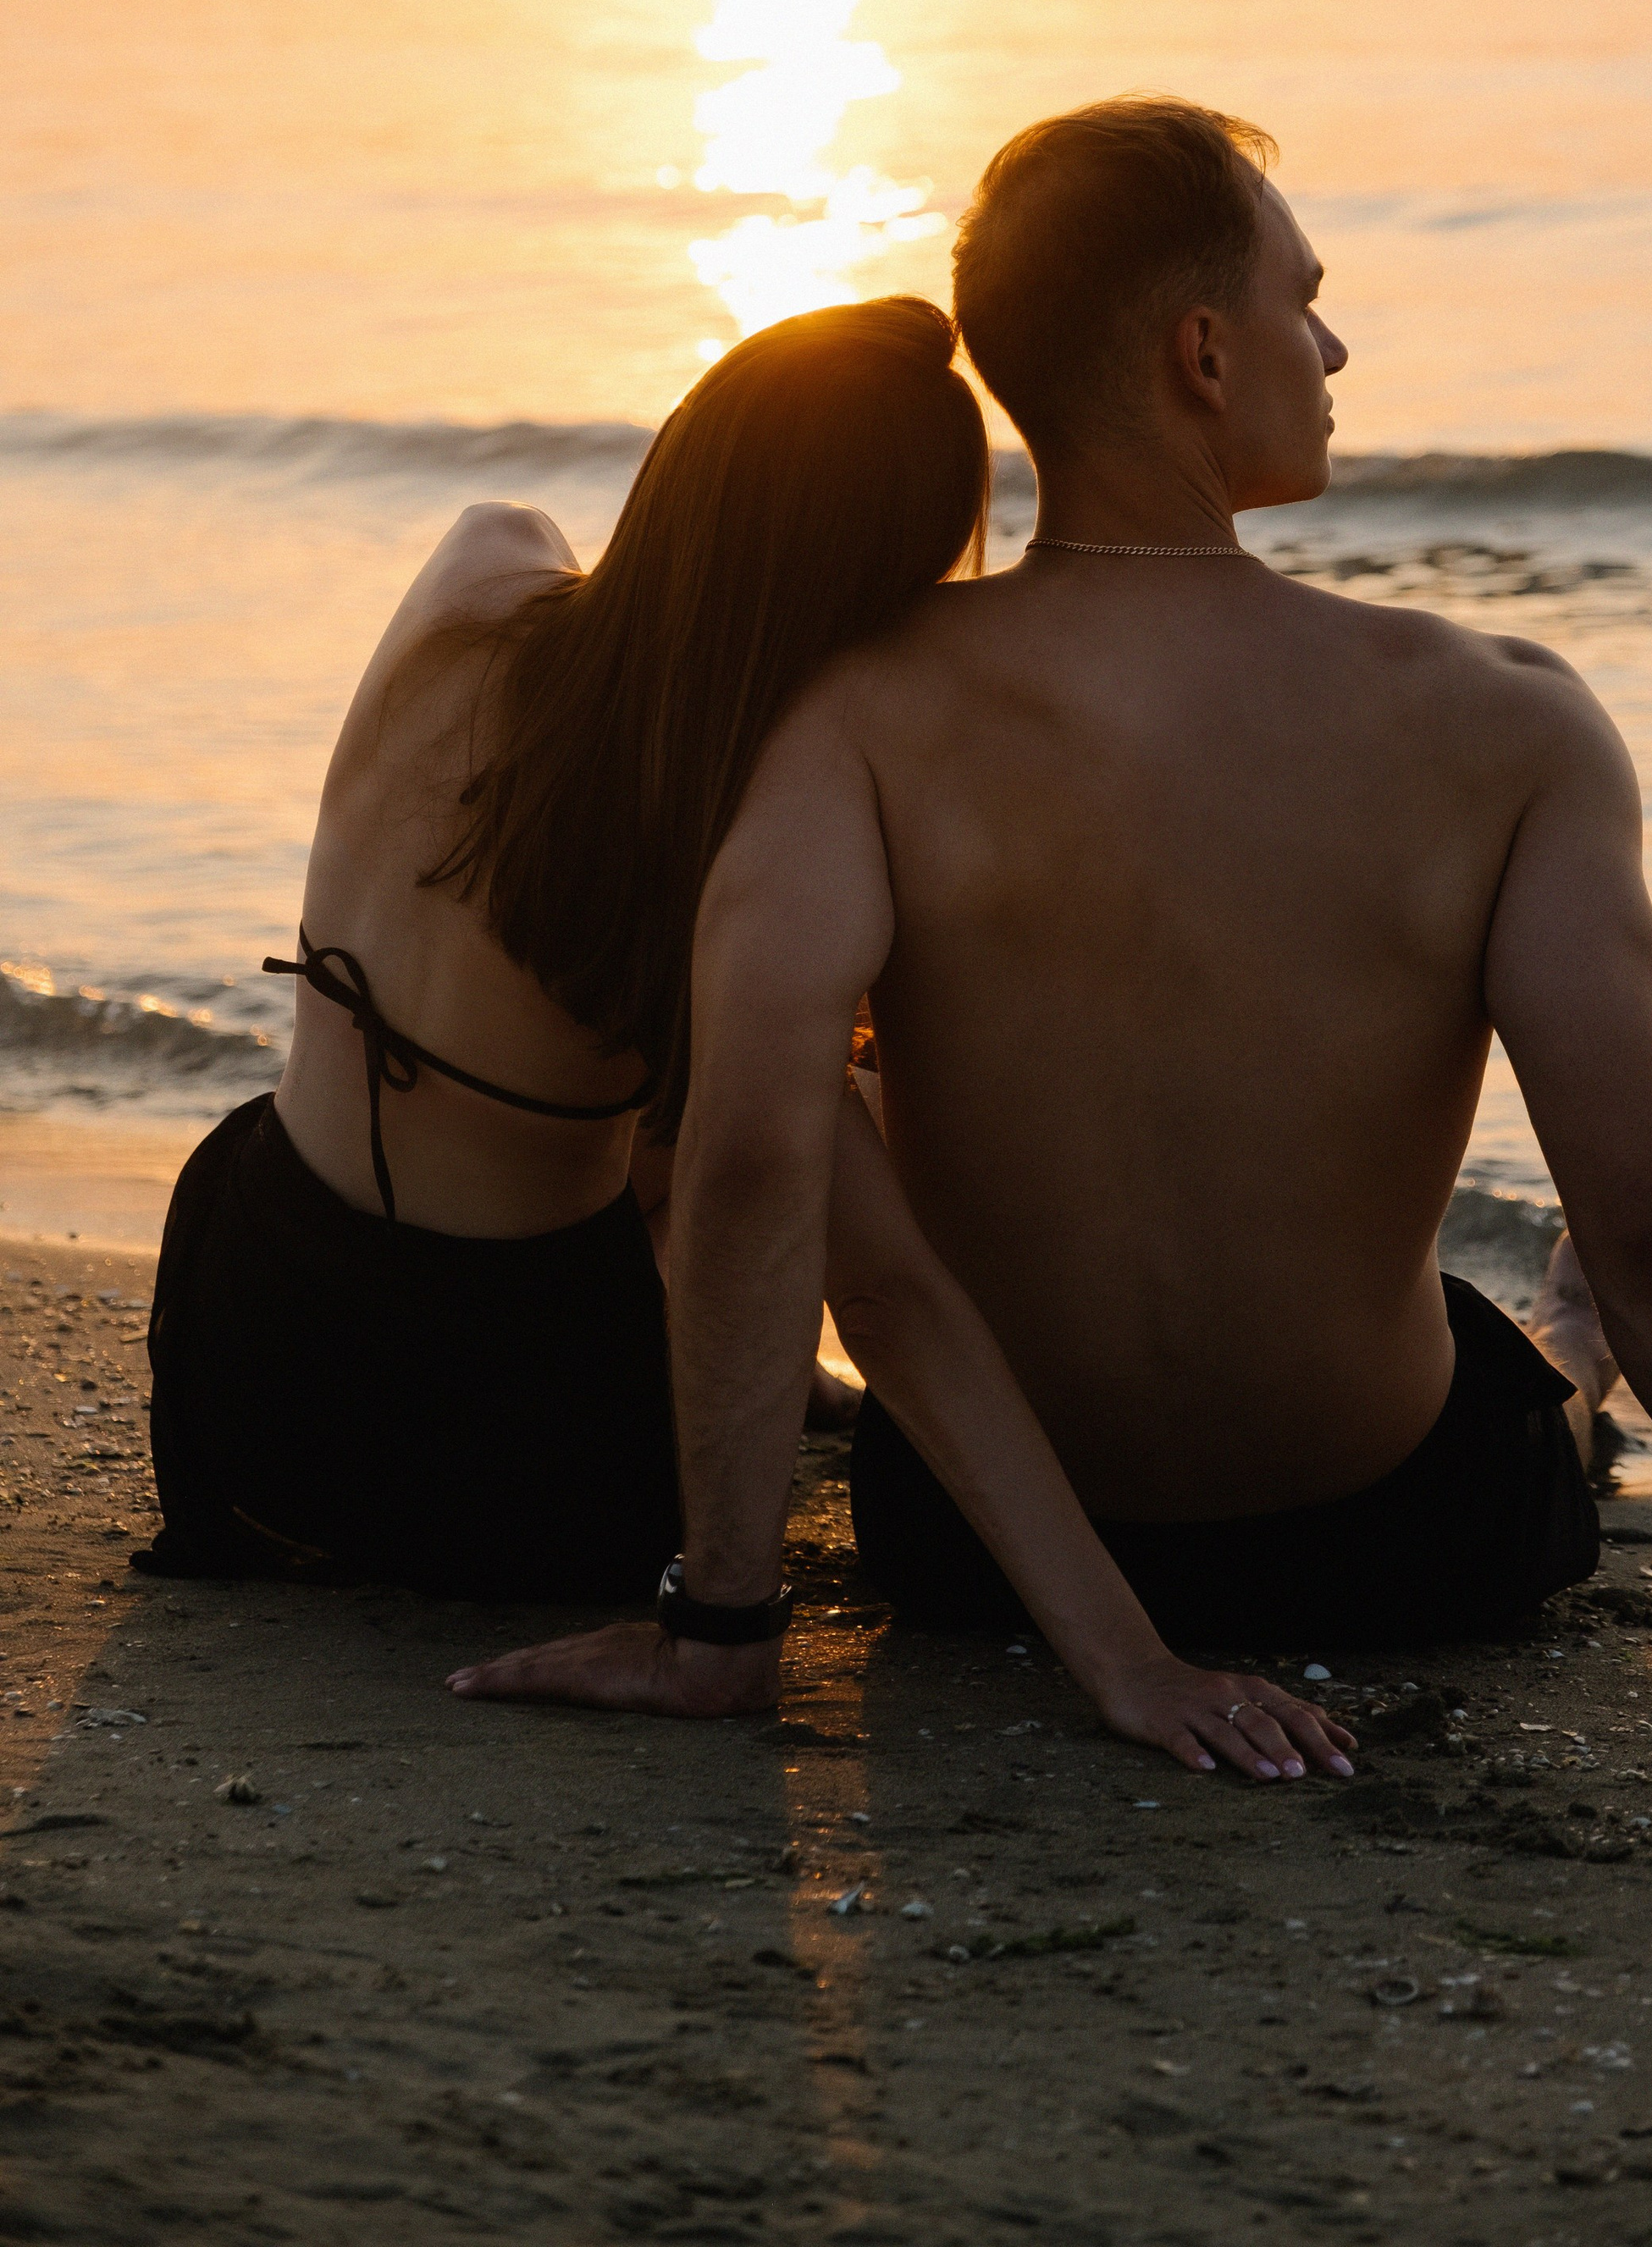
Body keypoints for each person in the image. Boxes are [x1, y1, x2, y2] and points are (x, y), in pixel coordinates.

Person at [463, 104, 1652, 1787]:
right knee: (1556, 1332)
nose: (1332, 343)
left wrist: (722, 1632)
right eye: (1305, 298)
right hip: (1406, 1547)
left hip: (975, 1559)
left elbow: (758, 1163)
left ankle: (1553, 1344)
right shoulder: (1501, 726)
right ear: (1204, 353)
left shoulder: (847, 716)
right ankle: (1563, 1356)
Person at [140, 290, 1356, 1783]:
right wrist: (1129, 1657)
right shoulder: (736, 851)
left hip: (247, 1378)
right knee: (776, 1115)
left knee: (669, 1112)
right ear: (884, 585)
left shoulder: (480, 574)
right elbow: (892, 1286)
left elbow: (603, 672)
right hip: (518, 1472)